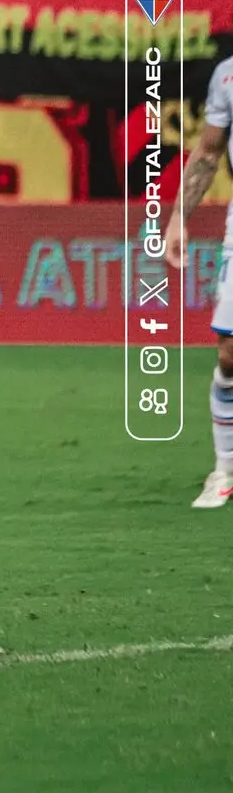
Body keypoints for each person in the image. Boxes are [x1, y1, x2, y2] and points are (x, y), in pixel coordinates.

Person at [165, 54, 233, 508]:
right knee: (230, 353)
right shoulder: (228, 75)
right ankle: (225, 469)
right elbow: (208, 152)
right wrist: (177, 218)